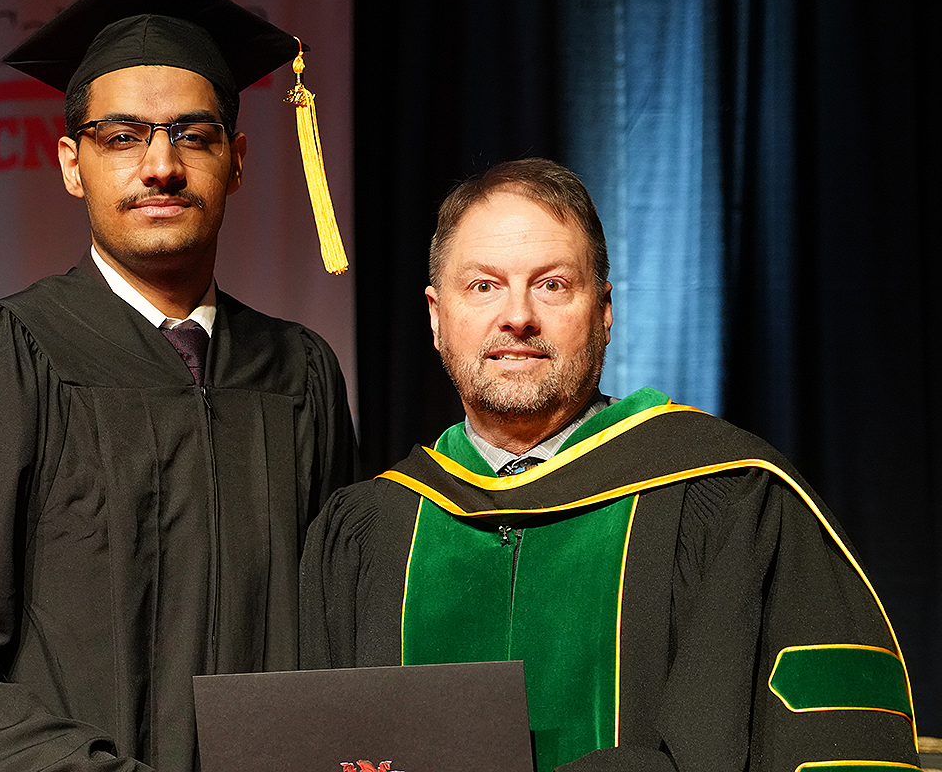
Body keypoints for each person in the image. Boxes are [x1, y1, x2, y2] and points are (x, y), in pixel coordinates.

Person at [0, 0, 357, 770]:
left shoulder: (300, 376)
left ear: (237, 161)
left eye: (195, 135)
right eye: (121, 137)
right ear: (71, 163)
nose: (161, 165)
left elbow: (337, 642)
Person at [300, 158, 920, 772]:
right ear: (438, 318)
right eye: (484, 286)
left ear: (604, 312)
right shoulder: (368, 529)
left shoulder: (731, 499)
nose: (517, 316)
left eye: (552, 285)